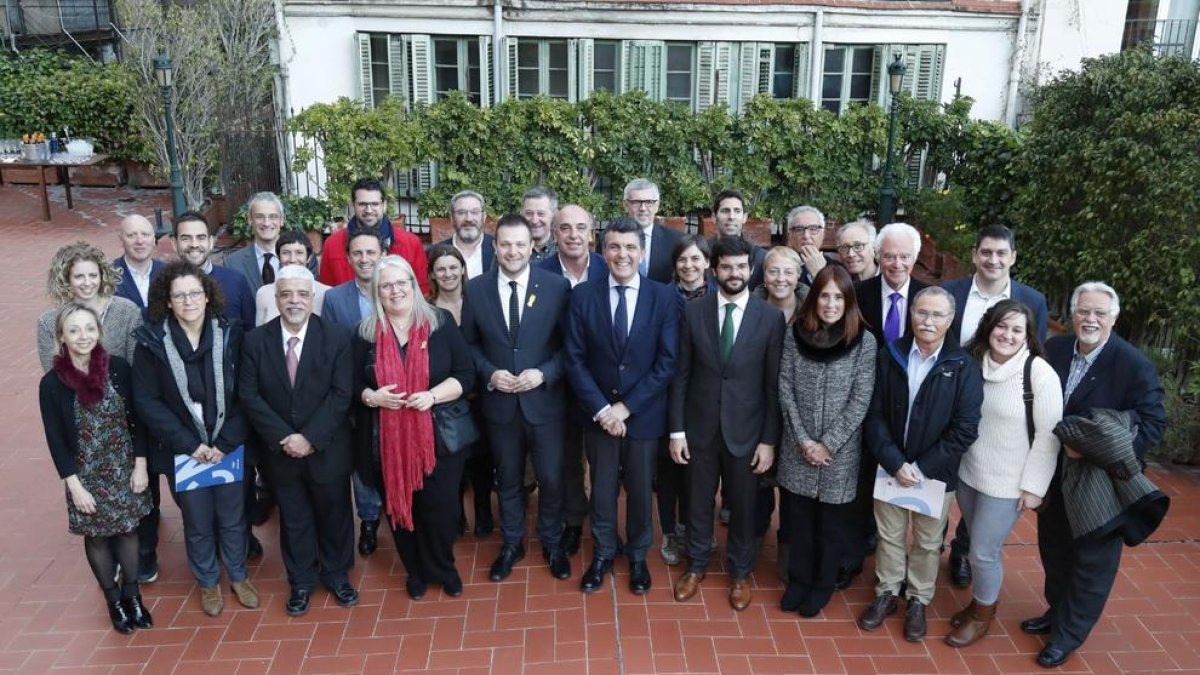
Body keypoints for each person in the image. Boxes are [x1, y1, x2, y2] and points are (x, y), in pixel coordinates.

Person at [1023, 282, 1166, 668]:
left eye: (1099, 313)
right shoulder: (1053, 350)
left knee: (1091, 562)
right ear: (1072, 314)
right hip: (1053, 474)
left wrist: (1093, 447)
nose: (1090, 319)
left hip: (1099, 486)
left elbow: (1153, 425)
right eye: (1083, 311)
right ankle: (1058, 612)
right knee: (1054, 550)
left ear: (1113, 318)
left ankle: (1068, 635)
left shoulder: (1133, 365)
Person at [132, 262, 258, 617]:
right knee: (199, 521)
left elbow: (246, 392)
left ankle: (237, 575)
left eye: (194, 293)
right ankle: (207, 582)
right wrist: (190, 445)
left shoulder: (232, 335)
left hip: (227, 446)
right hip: (184, 449)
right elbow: (146, 401)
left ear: (207, 296)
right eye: (179, 295)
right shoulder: (152, 342)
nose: (188, 301)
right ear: (167, 302)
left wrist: (225, 441)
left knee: (233, 518)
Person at [858, 286, 982, 643]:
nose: (927, 321)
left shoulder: (963, 367)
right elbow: (875, 413)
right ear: (911, 313)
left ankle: (918, 599)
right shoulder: (891, 354)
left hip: (935, 475)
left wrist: (922, 467)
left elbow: (965, 429)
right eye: (921, 312)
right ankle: (887, 592)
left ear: (950, 319)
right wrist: (895, 462)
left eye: (937, 314)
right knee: (889, 535)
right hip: (891, 468)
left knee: (928, 542)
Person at [565, 216, 681, 594]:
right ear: (602, 249)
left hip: (642, 417)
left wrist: (626, 409)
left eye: (631, 247)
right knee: (600, 490)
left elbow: (666, 362)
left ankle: (636, 557)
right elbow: (574, 359)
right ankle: (601, 553)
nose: (622, 254)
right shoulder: (583, 295)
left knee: (639, 490)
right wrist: (603, 410)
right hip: (596, 415)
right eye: (614, 246)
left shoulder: (663, 297)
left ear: (642, 252)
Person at [668, 236, 783, 611]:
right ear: (713, 269)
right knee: (698, 504)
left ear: (750, 270)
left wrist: (769, 440)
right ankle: (696, 566)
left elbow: (772, 385)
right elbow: (681, 376)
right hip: (699, 430)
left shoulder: (770, 318)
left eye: (741, 267)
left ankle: (739, 573)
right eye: (727, 267)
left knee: (745, 507)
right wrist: (677, 431)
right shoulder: (692, 312)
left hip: (747, 433)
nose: (734, 274)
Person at [353, 255, 476, 599]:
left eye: (400, 283)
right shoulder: (365, 334)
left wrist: (432, 396)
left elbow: (466, 375)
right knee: (398, 507)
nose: (394, 291)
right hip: (385, 444)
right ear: (377, 291)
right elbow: (349, 385)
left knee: (439, 510)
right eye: (386, 285)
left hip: (437, 438)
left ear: (414, 285)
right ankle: (415, 571)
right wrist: (371, 397)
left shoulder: (440, 323)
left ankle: (443, 567)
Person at [239, 265, 359, 617]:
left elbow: (341, 394)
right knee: (294, 518)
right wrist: (284, 438)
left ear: (312, 298)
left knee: (335, 514)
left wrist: (310, 437)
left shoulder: (336, 337)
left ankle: (337, 575)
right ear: (276, 299)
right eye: (287, 294)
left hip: (327, 448)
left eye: (302, 294)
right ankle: (301, 581)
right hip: (280, 451)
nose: (294, 301)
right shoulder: (255, 341)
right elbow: (249, 395)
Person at [461, 214, 573, 582]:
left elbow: (569, 347)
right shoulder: (475, 290)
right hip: (500, 405)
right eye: (505, 244)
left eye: (519, 244)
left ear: (532, 247)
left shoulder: (557, 287)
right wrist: (490, 373)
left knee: (552, 479)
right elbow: (469, 344)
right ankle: (512, 543)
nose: (512, 251)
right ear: (495, 247)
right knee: (507, 479)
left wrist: (544, 373)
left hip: (546, 404)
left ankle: (552, 542)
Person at [945, 299, 1062, 648]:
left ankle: (983, 616)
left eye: (1017, 329)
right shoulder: (972, 363)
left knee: (983, 550)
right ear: (988, 327)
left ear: (1027, 336)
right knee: (975, 545)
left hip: (1008, 482)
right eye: (1001, 326)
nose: (1007, 335)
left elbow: (1048, 435)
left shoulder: (1038, 373)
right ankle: (980, 600)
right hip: (969, 472)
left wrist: (1034, 487)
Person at [941, 224, 1051, 588]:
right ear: (975, 254)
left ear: (1013, 258)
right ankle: (929, 547)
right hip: (949, 407)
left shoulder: (1032, 300)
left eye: (1001, 253)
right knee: (945, 485)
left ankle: (962, 552)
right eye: (986, 252)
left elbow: (1034, 352)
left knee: (981, 502)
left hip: (1001, 420)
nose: (993, 259)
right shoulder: (950, 292)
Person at [39, 304, 152, 634]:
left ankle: (133, 596)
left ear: (99, 332)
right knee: (98, 538)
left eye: (89, 328)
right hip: (85, 474)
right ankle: (114, 600)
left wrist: (141, 465)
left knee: (129, 530)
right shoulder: (52, 384)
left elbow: (138, 420)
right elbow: (56, 440)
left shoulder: (118, 368)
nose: (82, 336)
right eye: (73, 330)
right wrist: (74, 486)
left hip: (124, 467)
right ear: (61, 336)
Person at [777, 265, 876, 617]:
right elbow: (785, 388)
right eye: (824, 296)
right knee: (800, 523)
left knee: (831, 526)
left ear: (848, 300)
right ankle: (799, 580)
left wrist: (827, 444)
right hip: (797, 447)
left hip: (839, 454)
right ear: (814, 298)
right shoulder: (794, 334)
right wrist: (804, 440)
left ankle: (822, 584)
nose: (831, 303)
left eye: (838, 297)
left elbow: (860, 400)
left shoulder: (864, 341)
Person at [847, 222, 930, 581]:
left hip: (908, 410)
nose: (896, 263)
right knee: (858, 485)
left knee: (899, 487)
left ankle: (892, 569)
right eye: (890, 255)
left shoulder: (930, 300)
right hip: (859, 405)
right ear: (877, 256)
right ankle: (851, 557)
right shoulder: (856, 293)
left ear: (916, 258)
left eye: (904, 256)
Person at [537, 204, 606, 556]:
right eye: (565, 228)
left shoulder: (609, 268)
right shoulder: (539, 272)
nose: (573, 235)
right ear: (554, 233)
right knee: (567, 458)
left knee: (603, 459)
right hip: (558, 384)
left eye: (581, 227)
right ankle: (574, 521)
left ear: (591, 233)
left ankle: (605, 523)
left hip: (601, 385)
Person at [322, 226, 387, 555]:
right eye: (358, 253)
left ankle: (398, 510)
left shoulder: (397, 290)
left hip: (395, 395)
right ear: (348, 258)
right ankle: (370, 519)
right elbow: (332, 350)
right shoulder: (334, 299)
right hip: (355, 396)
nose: (365, 259)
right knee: (362, 463)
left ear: (383, 255)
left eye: (371, 252)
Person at [654, 233, 713, 566]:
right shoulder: (661, 296)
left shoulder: (721, 297)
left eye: (695, 259)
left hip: (704, 397)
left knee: (698, 470)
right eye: (682, 260)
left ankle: (694, 529)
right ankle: (669, 531)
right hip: (665, 394)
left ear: (707, 262)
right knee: (668, 471)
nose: (689, 266)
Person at [429, 244, 495, 538]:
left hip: (482, 394)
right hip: (446, 399)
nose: (448, 274)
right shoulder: (428, 311)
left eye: (453, 267)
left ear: (463, 269)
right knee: (453, 459)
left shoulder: (478, 301)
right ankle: (455, 515)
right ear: (432, 274)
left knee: (482, 458)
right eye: (441, 268)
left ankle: (483, 511)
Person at [38, 242, 142, 373]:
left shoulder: (127, 312)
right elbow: (52, 374)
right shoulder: (49, 322)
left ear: (102, 275)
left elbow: (138, 367)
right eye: (79, 276)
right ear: (66, 278)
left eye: (93, 275)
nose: (87, 283)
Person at [319, 178, 429, 293]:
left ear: (384, 205)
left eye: (374, 204)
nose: (369, 210)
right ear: (353, 206)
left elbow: (422, 292)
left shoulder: (411, 243)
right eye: (362, 204)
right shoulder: (332, 245)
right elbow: (326, 294)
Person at [171, 212, 255, 328]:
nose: (194, 244)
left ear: (211, 242)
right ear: (174, 243)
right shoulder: (165, 285)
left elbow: (249, 332)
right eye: (186, 238)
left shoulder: (236, 281)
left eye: (201, 238)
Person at [223, 192, 317, 291]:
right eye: (259, 217)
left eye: (273, 217)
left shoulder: (303, 259)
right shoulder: (233, 263)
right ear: (250, 220)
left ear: (281, 220)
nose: (266, 223)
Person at [254, 230, 330, 325]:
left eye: (299, 253)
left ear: (309, 257)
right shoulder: (264, 293)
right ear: (278, 257)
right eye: (286, 253)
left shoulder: (326, 293)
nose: (292, 259)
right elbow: (260, 332)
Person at [620, 178, 682, 284]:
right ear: (626, 205)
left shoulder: (676, 240)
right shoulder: (609, 239)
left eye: (649, 202)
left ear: (657, 206)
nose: (643, 208)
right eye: (636, 202)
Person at [707, 190, 766, 289]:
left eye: (737, 211)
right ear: (714, 217)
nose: (731, 217)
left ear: (744, 217)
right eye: (725, 211)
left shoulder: (760, 258)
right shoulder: (701, 253)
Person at [433, 190, 496, 279]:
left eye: (474, 212)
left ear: (484, 217)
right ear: (452, 218)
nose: (469, 219)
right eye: (461, 213)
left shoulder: (498, 250)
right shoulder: (434, 253)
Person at [112, 214, 165, 316]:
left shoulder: (168, 272)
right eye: (131, 235)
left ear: (154, 240)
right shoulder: (109, 275)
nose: (140, 241)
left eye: (145, 235)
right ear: (121, 241)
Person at [784, 205, 839, 286]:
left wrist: (820, 274)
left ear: (823, 234)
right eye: (799, 229)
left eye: (813, 229)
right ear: (789, 235)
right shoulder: (778, 265)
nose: (806, 236)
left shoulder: (837, 269)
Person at [522, 186, 559, 263]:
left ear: (554, 215)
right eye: (529, 213)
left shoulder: (563, 250)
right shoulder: (511, 248)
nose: (534, 220)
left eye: (541, 214)